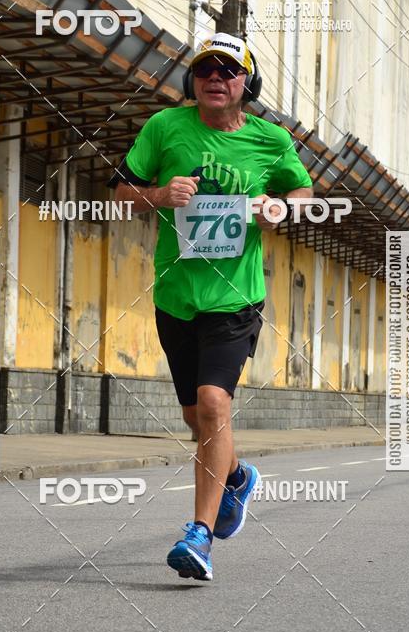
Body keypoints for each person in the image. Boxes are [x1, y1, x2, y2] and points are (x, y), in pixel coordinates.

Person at [110, 32, 313, 581]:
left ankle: (197, 536)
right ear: (191, 81)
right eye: (205, 70)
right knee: (196, 417)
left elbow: (303, 194)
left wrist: (276, 206)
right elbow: (118, 192)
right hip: (176, 297)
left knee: (213, 404)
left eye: (228, 70)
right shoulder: (165, 128)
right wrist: (158, 195)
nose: (216, 78)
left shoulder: (271, 141)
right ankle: (237, 476)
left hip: (235, 297)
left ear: (248, 82)